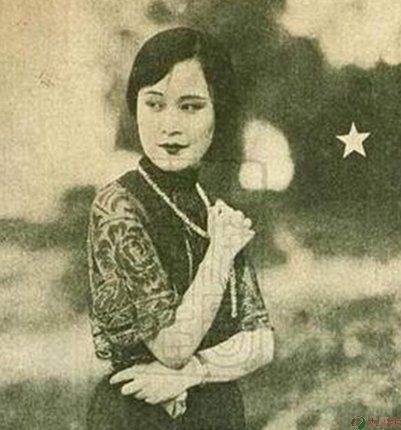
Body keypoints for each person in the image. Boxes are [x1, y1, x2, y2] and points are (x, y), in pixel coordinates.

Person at [86, 26, 274, 430]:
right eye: (154, 104)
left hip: (217, 412)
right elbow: (172, 346)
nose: (170, 125)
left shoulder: (215, 207)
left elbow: (261, 342)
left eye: (190, 107)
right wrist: (220, 253)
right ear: (135, 107)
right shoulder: (118, 207)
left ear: (218, 112)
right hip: (139, 414)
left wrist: (193, 373)